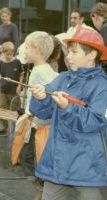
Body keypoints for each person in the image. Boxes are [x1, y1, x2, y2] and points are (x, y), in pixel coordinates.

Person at [29, 27, 107, 200]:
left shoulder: (103, 86)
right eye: (68, 52)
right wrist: (40, 97)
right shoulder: (63, 78)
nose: (68, 57)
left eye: (74, 52)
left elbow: (96, 120)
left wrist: (67, 107)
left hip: (86, 165)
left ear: (92, 54)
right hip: (57, 162)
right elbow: (42, 112)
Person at [0, 41, 24, 134]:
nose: (9, 56)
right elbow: (1, 75)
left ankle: (17, 126)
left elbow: (22, 74)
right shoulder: (1, 63)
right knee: (2, 107)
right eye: (7, 55)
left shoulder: (17, 62)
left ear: (13, 53)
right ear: (3, 53)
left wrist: (19, 86)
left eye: (11, 54)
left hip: (14, 90)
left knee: (15, 108)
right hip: (3, 89)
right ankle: (2, 126)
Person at [0, 7, 19, 80]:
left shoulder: (13, 27)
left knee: (8, 75)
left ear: (10, 16)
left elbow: (16, 42)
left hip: (8, 54)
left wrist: (14, 55)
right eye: (3, 16)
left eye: (6, 16)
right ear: (0, 17)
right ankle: (0, 88)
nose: (5, 18)